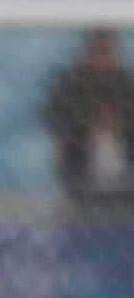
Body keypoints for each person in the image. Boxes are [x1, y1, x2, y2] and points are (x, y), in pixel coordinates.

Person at [43, 29, 134, 195]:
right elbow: (51, 115)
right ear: (87, 53)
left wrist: (119, 124)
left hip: (125, 155)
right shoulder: (72, 83)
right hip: (81, 158)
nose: (102, 58)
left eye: (106, 52)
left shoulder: (126, 84)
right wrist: (88, 124)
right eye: (97, 51)